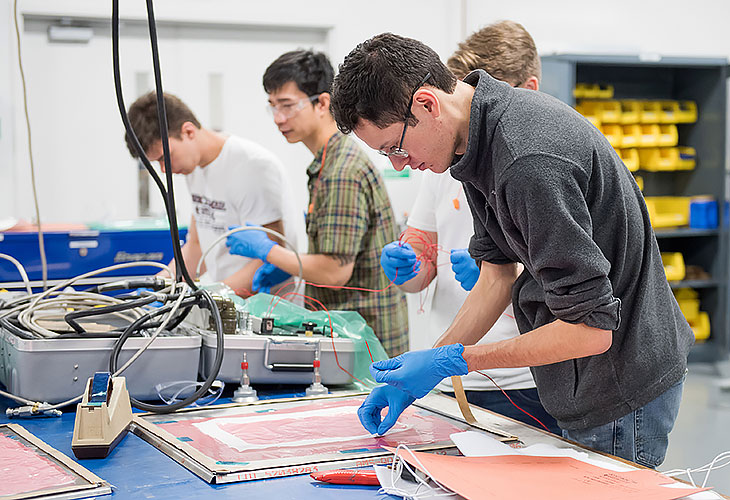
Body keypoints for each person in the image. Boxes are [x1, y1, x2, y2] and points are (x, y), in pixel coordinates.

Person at [330, 33, 694, 468]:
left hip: (619, 385)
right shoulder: (471, 142)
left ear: (426, 104)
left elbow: (591, 330)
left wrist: (455, 360)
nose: (399, 164)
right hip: (583, 375)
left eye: (395, 146)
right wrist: (424, 373)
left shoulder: (527, 160)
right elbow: (497, 275)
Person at [380, 21, 558, 432]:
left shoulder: (533, 161)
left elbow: (583, 298)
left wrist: (510, 279)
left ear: (526, 90)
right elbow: (424, 257)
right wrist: (410, 268)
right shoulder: (445, 161)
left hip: (522, 376)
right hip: (453, 372)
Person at [225, 50, 409, 357]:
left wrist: (268, 250)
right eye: (272, 107)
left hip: (365, 340)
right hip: (351, 333)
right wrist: (290, 267)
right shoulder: (326, 164)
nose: (278, 118)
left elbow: (334, 273)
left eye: (287, 106)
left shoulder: (341, 171)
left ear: (322, 103)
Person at [125, 91, 297, 296]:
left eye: (165, 158)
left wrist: (210, 296)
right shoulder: (195, 168)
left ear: (188, 131)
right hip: (226, 301)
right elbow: (196, 246)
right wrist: (157, 287)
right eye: (157, 162)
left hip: (266, 308)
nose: (164, 169)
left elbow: (271, 257)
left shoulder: (252, 166)